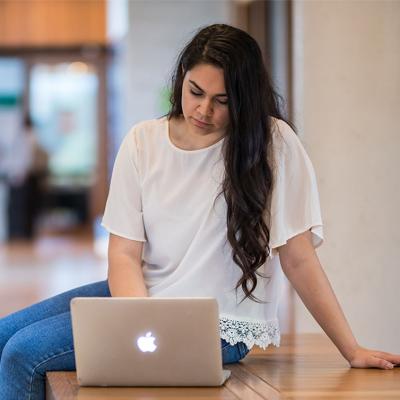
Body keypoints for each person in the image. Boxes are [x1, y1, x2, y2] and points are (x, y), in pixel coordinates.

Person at [0, 23, 399, 400]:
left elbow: (298, 257)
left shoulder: (274, 144)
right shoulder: (143, 141)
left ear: (244, 100)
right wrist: (140, 322)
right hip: (141, 297)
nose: (203, 110)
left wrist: (351, 349)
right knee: (4, 335)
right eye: (195, 92)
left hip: (215, 324)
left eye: (222, 101)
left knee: (24, 353)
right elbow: (123, 254)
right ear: (181, 80)